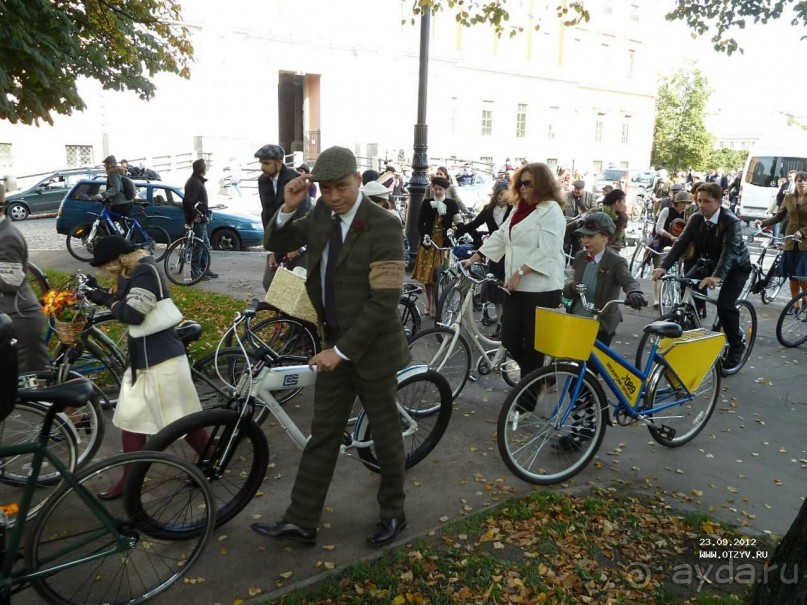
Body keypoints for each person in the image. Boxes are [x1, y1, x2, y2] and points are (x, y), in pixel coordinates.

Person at [251, 146, 410, 547]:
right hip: (333, 344)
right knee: (323, 434)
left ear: (358, 180)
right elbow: (277, 240)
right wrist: (287, 206)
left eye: (341, 186)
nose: (335, 195)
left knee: (386, 435)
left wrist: (340, 353)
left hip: (371, 350)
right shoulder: (322, 213)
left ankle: (394, 513)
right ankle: (301, 520)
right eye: (326, 188)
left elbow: (383, 304)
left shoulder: (385, 226)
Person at [83, 236, 205, 499]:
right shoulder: (134, 272)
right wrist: (98, 292)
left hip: (163, 361)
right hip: (147, 359)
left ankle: (210, 458)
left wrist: (103, 298)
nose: (104, 271)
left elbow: (133, 314)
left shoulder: (146, 272)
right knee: (133, 419)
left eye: (105, 266)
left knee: (182, 420)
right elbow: (125, 300)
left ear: (118, 260)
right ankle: (130, 479)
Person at [463, 163, 567, 377]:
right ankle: (538, 380)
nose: (522, 188)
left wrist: (520, 273)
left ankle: (526, 398)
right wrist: (475, 257)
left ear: (542, 184)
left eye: (527, 184)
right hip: (515, 285)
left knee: (533, 346)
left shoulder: (552, 211)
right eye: (520, 184)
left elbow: (547, 250)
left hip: (541, 288)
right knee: (509, 338)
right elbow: (501, 235)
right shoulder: (520, 209)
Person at [653, 183, 752, 369]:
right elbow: (680, 244)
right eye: (699, 200)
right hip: (708, 262)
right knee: (684, 284)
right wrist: (664, 267)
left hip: (735, 267)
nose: (701, 205)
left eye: (707, 201)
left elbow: (729, 252)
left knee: (725, 305)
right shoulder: (696, 218)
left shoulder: (730, 221)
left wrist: (717, 277)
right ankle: (693, 325)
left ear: (719, 202)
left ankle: (736, 345)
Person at [565, 212, 646, 346]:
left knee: (596, 365)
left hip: (600, 323)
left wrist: (634, 292)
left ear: (605, 237)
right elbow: (567, 288)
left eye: (590, 236)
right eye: (583, 236)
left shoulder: (615, 262)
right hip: (577, 318)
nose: (585, 240)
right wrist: (572, 287)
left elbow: (629, 281)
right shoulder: (580, 256)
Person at [0, 183, 49, 372]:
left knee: (33, 387)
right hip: (9, 319)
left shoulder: (7, 237)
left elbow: (10, 282)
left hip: (20, 320)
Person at [455, 181, 513, 337]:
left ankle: (506, 322)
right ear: (495, 195)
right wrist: (458, 231)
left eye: (506, 194)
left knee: (508, 291)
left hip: (510, 255)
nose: (504, 197)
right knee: (495, 291)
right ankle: (501, 324)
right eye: (500, 194)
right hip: (495, 254)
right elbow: (474, 224)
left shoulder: (513, 210)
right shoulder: (488, 210)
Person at [255, 144, 311, 290]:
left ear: (279, 163)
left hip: (298, 244)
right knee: (269, 283)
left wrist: (295, 246)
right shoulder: (263, 181)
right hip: (277, 241)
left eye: (266, 163)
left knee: (294, 288)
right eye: (261, 163)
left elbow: (303, 213)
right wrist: (272, 249)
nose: (262, 167)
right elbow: (267, 214)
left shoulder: (295, 178)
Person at [412, 176, 463, 316]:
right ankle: (430, 303)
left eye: (440, 189)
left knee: (437, 276)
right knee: (427, 276)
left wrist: (458, 231)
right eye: (435, 189)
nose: (438, 192)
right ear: (432, 188)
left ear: (445, 189)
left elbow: (459, 221)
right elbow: (419, 222)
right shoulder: (427, 203)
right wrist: (424, 235)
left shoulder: (451, 204)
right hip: (428, 243)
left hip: (443, 244)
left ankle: (438, 304)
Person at [757, 170, 807, 306]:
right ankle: (794, 304)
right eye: (799, 180)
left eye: (804, 180)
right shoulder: (789, 197)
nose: (802, 183)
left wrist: (802, 232)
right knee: (791, 275)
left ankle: (805, 302)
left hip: (805, 242)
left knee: (802, 275)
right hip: (790, 240)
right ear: (795, 182)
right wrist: (763, 222)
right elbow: (779, 216)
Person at [183, 158, 218, 280]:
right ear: (202, 169)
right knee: (199, 246)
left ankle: (204, 268)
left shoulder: (196, 181)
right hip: (197, 219)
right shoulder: (195, 183)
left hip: (201, 218)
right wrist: (194, 216)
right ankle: (197, 273)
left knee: (205, 244)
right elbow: (187, 202)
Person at [564, 180, 596, 255]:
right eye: (575, 188)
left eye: (578, 189)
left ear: (583, 188)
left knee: (578, 248)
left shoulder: (590, 196)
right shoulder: (566, 196)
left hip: (582, 227)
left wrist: (585, 215)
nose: (576, 191)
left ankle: (575, 264)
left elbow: (595, 209)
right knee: (565, 247)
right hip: (568, 226)